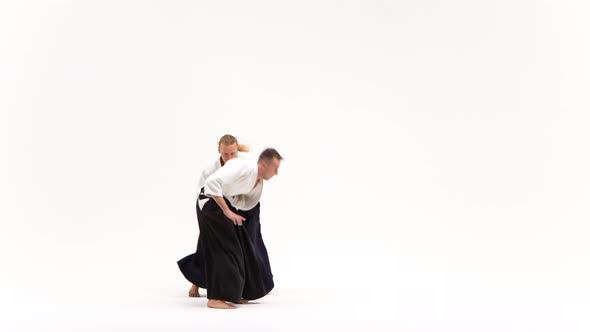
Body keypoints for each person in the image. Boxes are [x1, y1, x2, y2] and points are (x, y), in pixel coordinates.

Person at [198, 148, 282, 309]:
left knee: (240, 249)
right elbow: (211, 183)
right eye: (275, 168)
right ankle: (215, 298)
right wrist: (227, 211)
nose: (276, 173)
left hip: (223, 205)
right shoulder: (242, 167)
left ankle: (234, 294)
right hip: (210, 203)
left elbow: (244, 203)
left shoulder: (258, 183)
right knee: (226, 249)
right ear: (264, 165)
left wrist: (232, 211)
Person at [178, 134, 254, 298]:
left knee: (242, 244)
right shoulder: (210, 170)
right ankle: (196, 283)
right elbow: (204, 194)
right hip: (211, 207)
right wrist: (222, 210)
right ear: (219, 151)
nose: (229, 157)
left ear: (237, 150)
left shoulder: (244, 162)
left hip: (235, 205)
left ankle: (242, 287)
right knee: (207, 243)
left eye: (233, 153)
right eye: (225, 154)